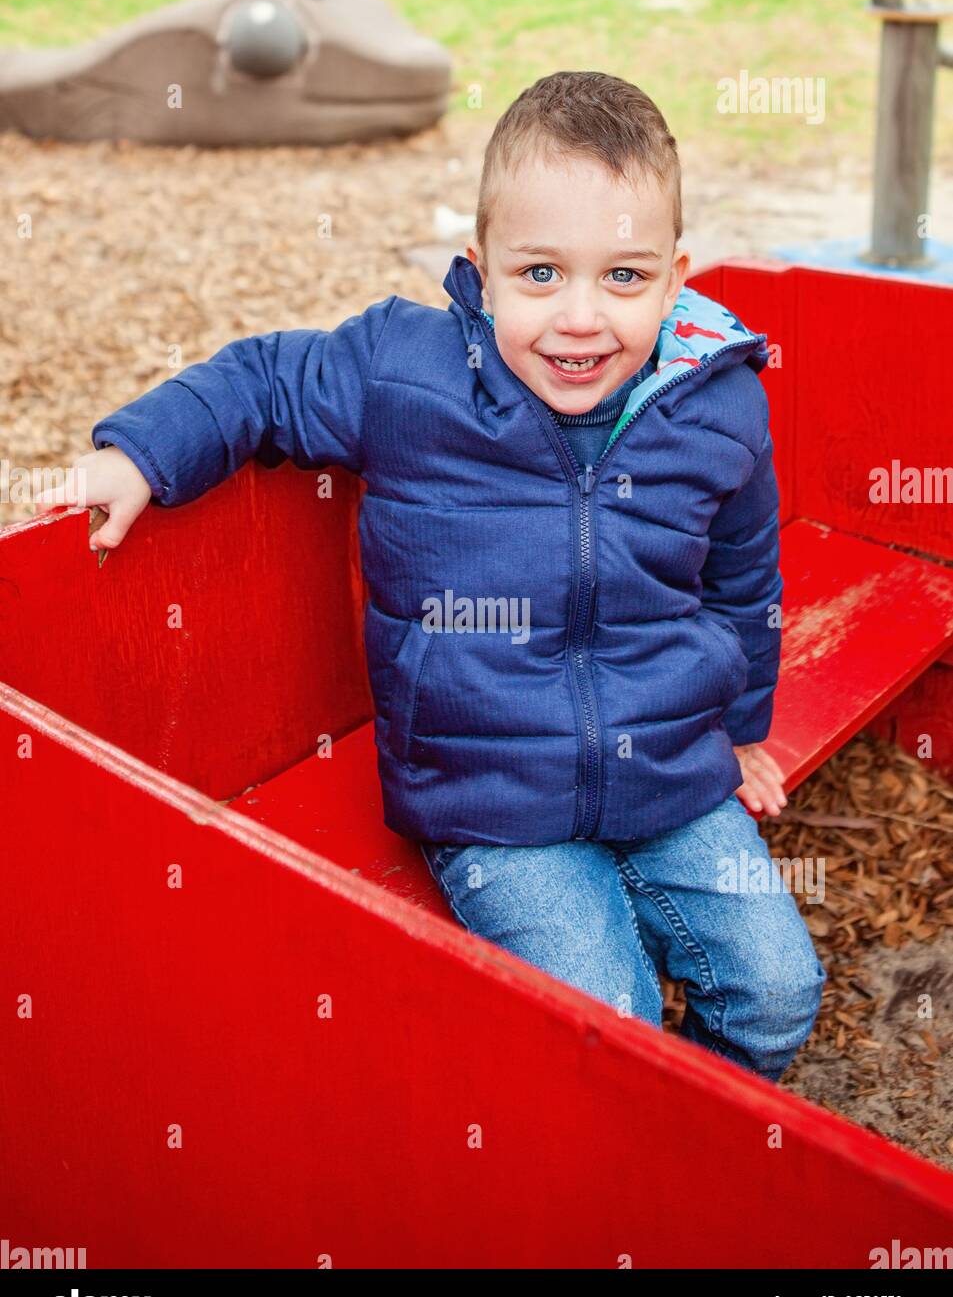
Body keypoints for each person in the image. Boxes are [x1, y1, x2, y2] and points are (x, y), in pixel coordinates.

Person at [36, 71, 826, 1083]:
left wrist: (743, 726)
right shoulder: (409, 376)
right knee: (607, 1022)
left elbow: (740, 579)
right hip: (487, 794)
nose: (579, 318)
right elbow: (265, 376)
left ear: (672, 282)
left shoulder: (715, 407)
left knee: (775, 990)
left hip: (669, 763)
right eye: (539, 274)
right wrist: (140, 452)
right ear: (478, 271)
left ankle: (723, 1117)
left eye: (621, 278)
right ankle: (612, 1176)